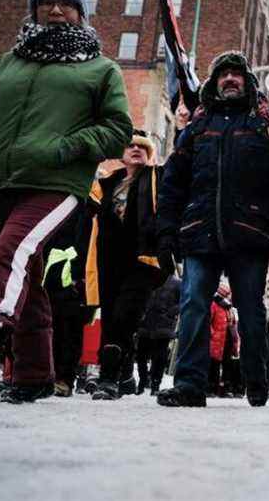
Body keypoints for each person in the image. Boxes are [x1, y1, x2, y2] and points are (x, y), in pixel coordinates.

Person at [0, 0, 132, 406]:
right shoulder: (8, 62)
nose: (56, 10)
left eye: (66, 4)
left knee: (7, 256)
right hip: (0, 181)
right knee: (26, 277)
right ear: (34, 9)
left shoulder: (100, 68)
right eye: (47, 2)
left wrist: (65, 149)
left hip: (56, 182)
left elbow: (116, 130)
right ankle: (33, 374)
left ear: (81, 13)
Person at [156, 51, 269, 407]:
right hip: (199, 231)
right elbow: (172, 184)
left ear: (248, 83)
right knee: (194, 304)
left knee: (251, 310)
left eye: (236, 74)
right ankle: (190, 385)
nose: (229, 79)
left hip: (249, 234)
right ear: (214, 83)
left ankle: (256, 380)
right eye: (222, 74)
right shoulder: (196, 129)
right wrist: (165, 230)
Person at [86, 130, 166, 400]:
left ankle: (108, 379)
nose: (135, 150)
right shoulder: (106, 184)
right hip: (108, 260)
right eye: (130, 146)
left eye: (142, 147)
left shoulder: (158, 178)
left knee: (124, 315)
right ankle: (125, 376)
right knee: (111, 317)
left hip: (143, 260)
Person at [40, 209, 94, 399]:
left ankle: (64, 379)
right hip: (51, 272)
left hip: (78, 277)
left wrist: (81, 275)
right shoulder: (54, 204)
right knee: (49, 327)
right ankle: (47, 375)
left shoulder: (89, 207)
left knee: (70, 330)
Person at [136, 274, 181, 396]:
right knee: (141, 355)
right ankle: (142, 380)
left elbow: (183, 301)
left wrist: (171, 312)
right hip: (146, 322)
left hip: (164, 324)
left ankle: (155, 383)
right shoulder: (149, 277)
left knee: (159, 357)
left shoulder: (176, 283)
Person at [207, 284, 232, 396]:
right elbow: (208, 321)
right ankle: (209, 388)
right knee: (212, 365)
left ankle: (215, 388)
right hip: (215, 340)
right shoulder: (214, 305)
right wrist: (212, 334)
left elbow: (230, 323)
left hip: (224, 341)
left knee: (218, 365)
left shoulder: (226, 307)